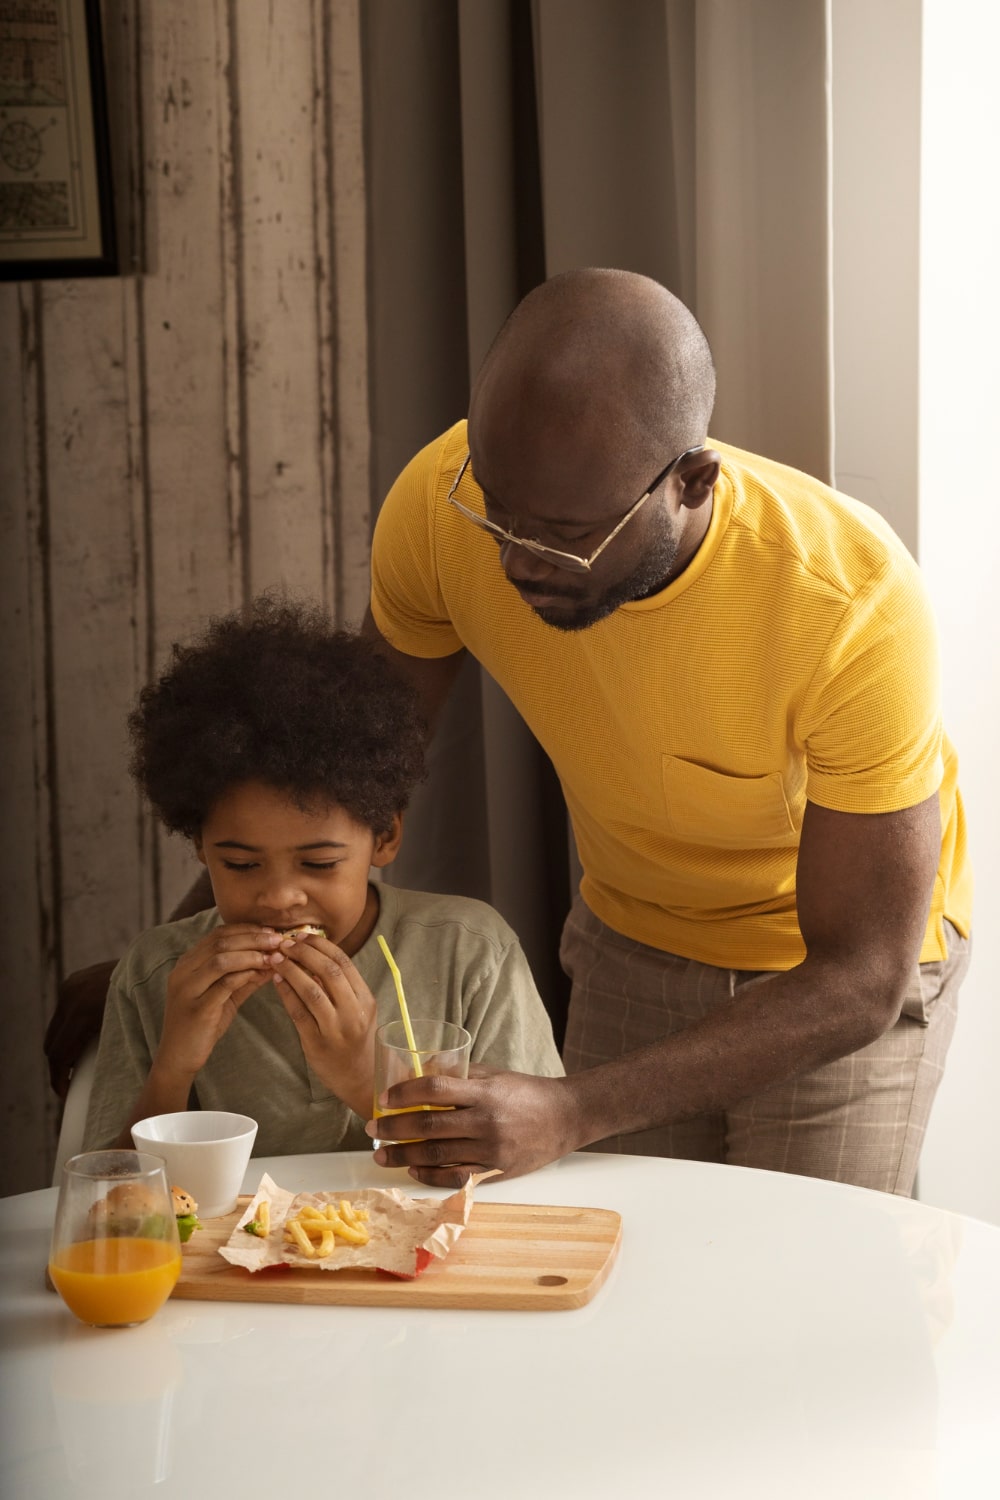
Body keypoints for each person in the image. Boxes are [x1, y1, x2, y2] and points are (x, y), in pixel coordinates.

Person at [361, 266, 972, 1194]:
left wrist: (571, 1109)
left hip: (826, 976)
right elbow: (342, 772)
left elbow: (861, 974)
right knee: (624, 1297)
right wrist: (165, 959)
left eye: (567, 533)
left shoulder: (851, 603)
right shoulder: (441, 509)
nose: (520, 561)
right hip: (630, 938)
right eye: (498, 511)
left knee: (816, 1307)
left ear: (690, 481)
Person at [82, 598, 563, 1157]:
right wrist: (175, 1065)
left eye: (319, 864)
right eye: (240, 864)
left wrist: (365, 1080)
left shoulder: (471, 953)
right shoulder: (154, 976)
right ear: (198, 845)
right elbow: (108, 1202)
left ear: (384, 836)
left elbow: (533, 1168)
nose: (280, 897)